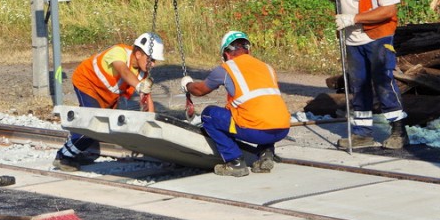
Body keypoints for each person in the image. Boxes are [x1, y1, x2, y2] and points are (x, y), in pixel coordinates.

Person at [326, 0, 407, 150]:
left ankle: (399, 131)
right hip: (352, 38)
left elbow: (388, 10)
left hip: (378, 36)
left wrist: (353, 19)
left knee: (383, 80)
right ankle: (362, 134)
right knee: (358, 85)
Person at [181, 31, 291, 177]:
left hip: (255, 131)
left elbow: (199, 90)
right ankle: (266, 153)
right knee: (264, 112)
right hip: (282, 129)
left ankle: (235, 162)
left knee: (209, 115)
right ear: (248, 50)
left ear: (226, 54)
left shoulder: (227, 68)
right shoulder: (267, 67)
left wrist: (187, 84)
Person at [53, 32, 165, 172]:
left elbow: (147, 97)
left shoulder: (142, 73)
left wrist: (151, 123)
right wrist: (139, 86)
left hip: (106, 95)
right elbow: (123, 71)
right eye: (151, 59)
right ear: (138, 54)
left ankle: (77, 150)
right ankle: (63, 157)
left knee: (103, 127)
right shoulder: (119, 52)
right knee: (91, 124)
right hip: (87, 82)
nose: (153, 64)